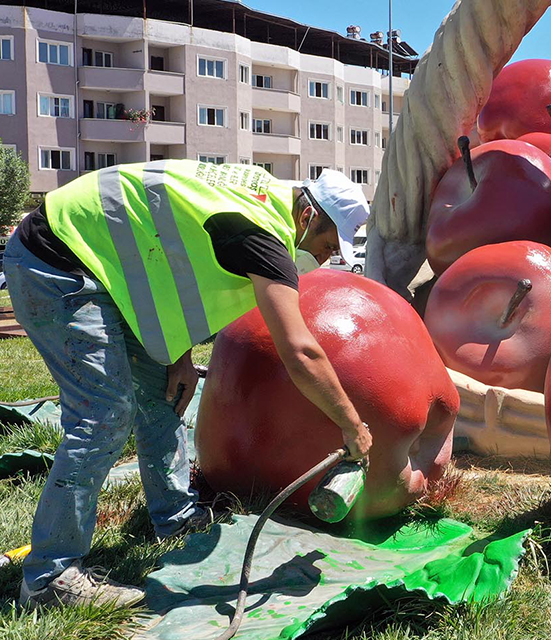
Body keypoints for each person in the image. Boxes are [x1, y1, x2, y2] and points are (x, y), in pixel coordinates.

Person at [2, 160, 374, 609]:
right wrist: (352, 425)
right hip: (57, 258)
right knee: (103, 416)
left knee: (163, 392)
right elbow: (301, 352)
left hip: (103, 261)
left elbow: (167, 258)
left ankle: (175, 515)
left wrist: (176, 354)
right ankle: (50, 578)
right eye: (327, 243)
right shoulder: (262, 234)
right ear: (308, 215)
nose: (328, 256)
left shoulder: (255, 196)